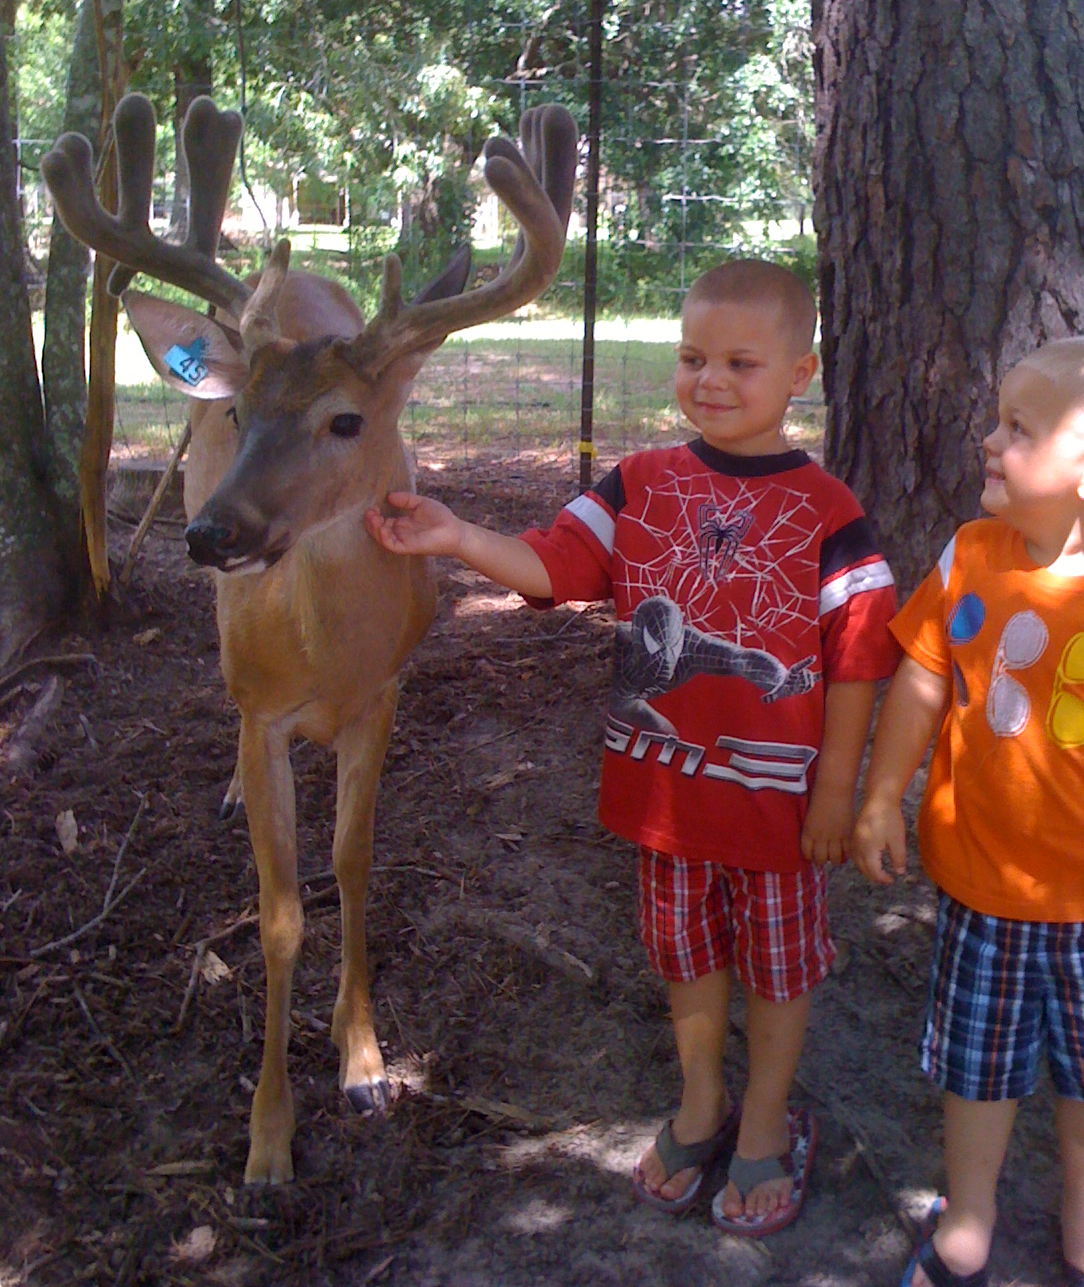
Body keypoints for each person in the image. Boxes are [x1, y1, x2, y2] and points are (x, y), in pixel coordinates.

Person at [366, 257, 899, 1235]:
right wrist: (456, 534)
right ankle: (702, 1099)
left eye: (742, 361)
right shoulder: (640, 483)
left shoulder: (832, 513)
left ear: (801, 372)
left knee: (779, 967)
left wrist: (843, 795)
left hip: (778, 808)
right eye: (693, 357)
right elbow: (555, 562)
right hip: (668, 802)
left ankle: (768, 1118)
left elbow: (861, 661)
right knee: (685, 953)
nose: (712, 380)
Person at [852, 336, 1084, 1287]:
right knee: (980, 1064)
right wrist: (882, 794)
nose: (988, 439)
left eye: (1017, 428)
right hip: (979, 891)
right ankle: (967, 1223)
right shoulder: (970, 554)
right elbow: (921, 673)